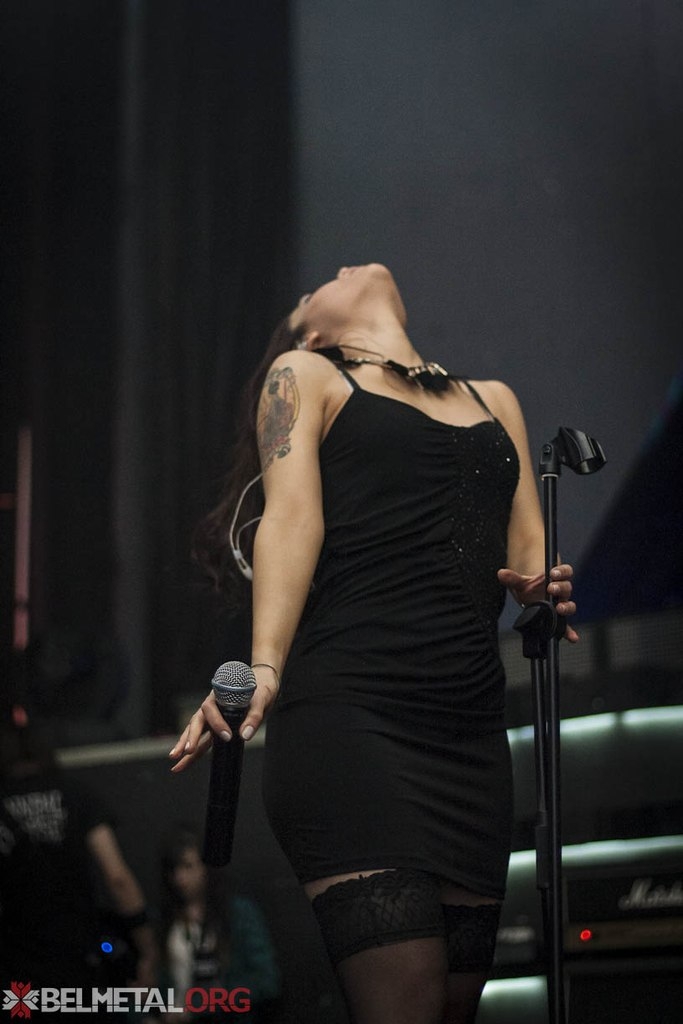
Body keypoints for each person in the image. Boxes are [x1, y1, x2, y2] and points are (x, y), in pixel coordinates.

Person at [169, 263, 577, 1024]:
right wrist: (265, 666)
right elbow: (291, 520)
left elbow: (526, 547)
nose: (340, 271)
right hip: (353, 717)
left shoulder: (494, 400)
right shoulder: (305, 375)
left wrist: (539, 586)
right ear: (313, 333)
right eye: (313, 289)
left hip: (468, 732)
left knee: (453, 1006)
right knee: (405, 1001)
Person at [0, 669, 157, 997]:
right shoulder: (74, 794)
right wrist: (147, 950)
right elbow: (118, 878)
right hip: (78, 960)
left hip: (17, 968)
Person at [158, 827, 280, 1022]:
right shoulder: (168, 920)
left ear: (206, 867)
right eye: (174, 869)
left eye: (188, 866)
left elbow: (266, 982)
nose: (180, 877)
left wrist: (199, 1005)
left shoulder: (238, 914)